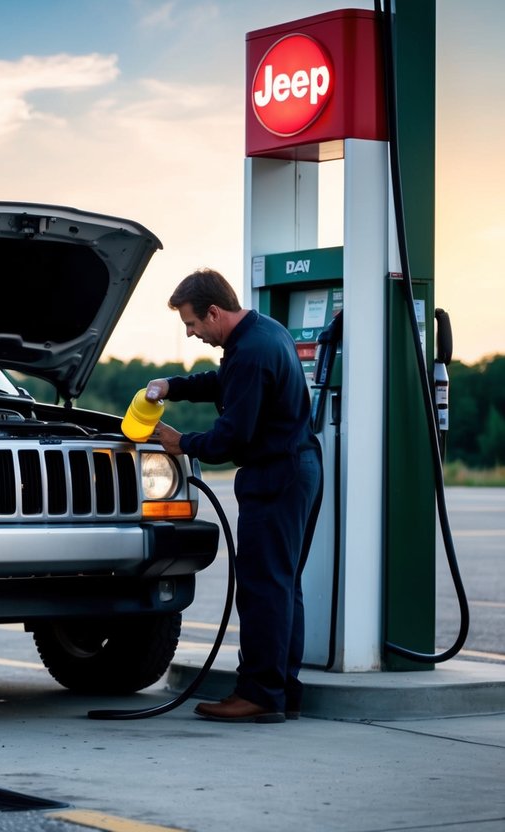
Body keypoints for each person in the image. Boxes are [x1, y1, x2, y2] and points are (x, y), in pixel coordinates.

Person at [147, 268, 321, 724]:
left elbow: (231, 438)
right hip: (295, 469)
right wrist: (172, 386)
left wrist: (182, 443)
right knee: (282, 585)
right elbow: (223, 382)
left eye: (191, 323)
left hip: (276, 476)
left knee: (264, 588)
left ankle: (259, 695)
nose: (191, 333)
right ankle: (282, 690)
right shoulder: (263, 333)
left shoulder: (252, 353)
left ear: (214, 312)